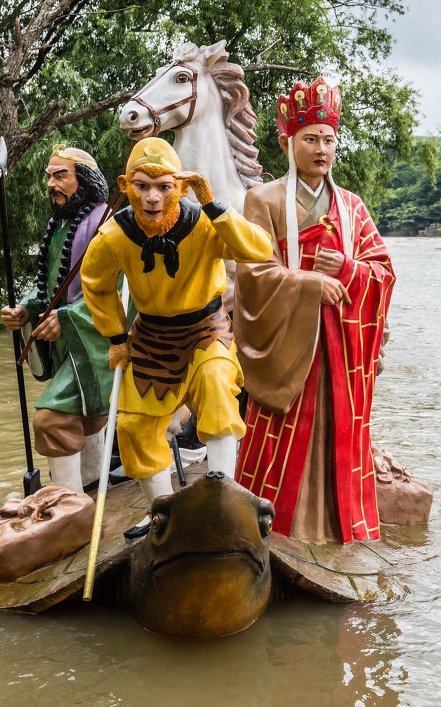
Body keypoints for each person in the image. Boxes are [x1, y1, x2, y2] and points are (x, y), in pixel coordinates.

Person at [80, 137, 272, 537]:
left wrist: (215, 206)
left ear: (181, 187)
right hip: (151, 335)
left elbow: (257, 249)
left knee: (218, 389)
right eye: (142, 186)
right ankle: (164, 514)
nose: (152, 198)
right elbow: (96, 284)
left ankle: (222, 502)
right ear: (124, 185)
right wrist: (116, 335)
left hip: (205, 329)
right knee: (133, 426)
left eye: (164, 186)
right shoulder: (114, 235)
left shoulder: (204, 222)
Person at [233, 78, 396, 544]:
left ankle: (336, 529)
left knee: (337, 433)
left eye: (328, 139)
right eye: (310, 139)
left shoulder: (351, 206)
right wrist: (309, 283)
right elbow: (253, 274)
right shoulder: (262, 200)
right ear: (290, 142)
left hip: (340, 350)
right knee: (281, 433)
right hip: (290, 345)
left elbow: (382, 270)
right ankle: (273, 528)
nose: (320, 149)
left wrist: (346, 269)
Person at [0, 145, 113, 492]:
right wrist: (25, 308)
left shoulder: (107, 225)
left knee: (51, 419)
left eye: (60, 175)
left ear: (85, 179)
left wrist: (68, 318)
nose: (51, 183)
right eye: (49, 176)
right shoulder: (59, 228)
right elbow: (50, 286)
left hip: (97, 340)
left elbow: (120, 291)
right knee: (82, 418)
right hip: (69, 340)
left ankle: (67, 501)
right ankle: (92, 482)